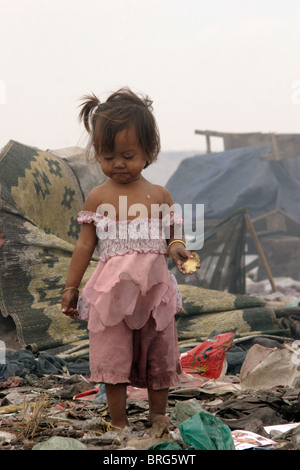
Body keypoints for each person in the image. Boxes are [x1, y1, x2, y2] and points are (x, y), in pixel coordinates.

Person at [61, 87, 199, 430]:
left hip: (154, 294)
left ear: (149, 151)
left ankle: (158, 416)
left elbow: (172, 238)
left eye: (127, 155)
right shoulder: (98, 197)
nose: (117, 164)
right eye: (108, 157)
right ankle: (119, 423)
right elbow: (84, 246)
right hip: (111, 297)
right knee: (112, 355)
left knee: (159, 354)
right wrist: (71, 287)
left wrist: (179, 252)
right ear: (97, 154)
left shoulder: (159, 195)